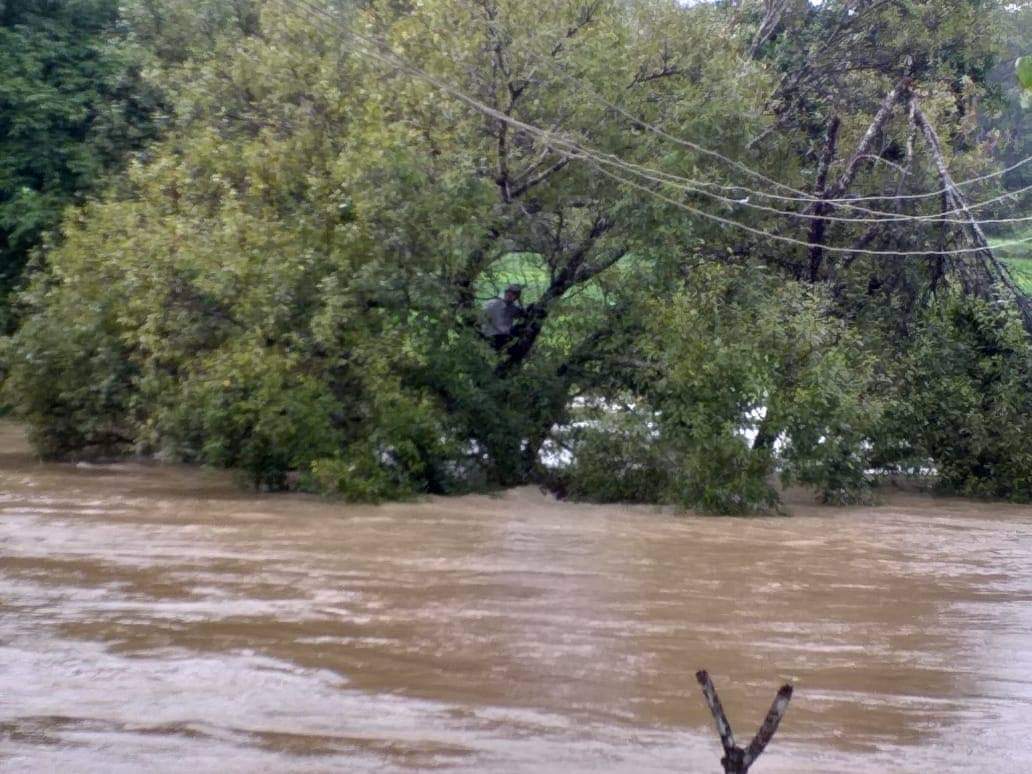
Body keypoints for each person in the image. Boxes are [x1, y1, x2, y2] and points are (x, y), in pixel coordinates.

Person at [482, 283, 524, 350]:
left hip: (501, 337)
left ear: (516, 297)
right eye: (508, 292)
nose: (510, 295)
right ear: (505, 292)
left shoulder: (513, 308)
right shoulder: (493, 303)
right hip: (491, 336)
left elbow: (521, 314)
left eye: (514, 294)